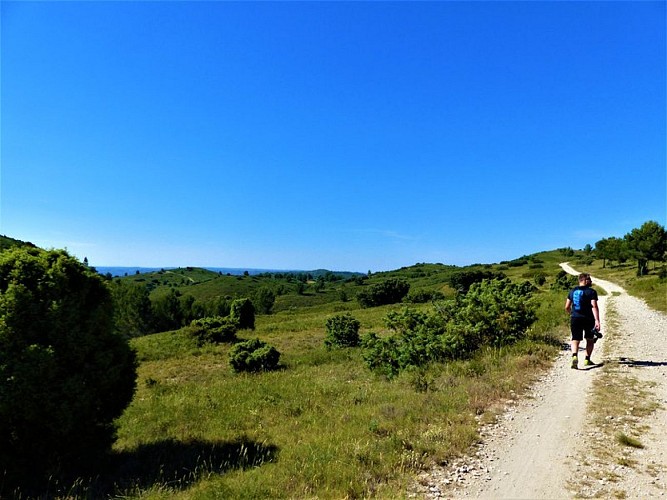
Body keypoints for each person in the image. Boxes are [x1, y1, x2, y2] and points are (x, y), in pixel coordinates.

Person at [565, 273, 601, 369]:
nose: (591, 282)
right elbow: (594, 306)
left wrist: (572, 314)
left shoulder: (572, 291)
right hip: (588, 318)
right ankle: (587, 359)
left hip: (575, 318)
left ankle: (574, 356)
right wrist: (597, 320)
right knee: (590, 339)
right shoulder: (592, 292)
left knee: (575, 338)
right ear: (585, 280)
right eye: (589, 279)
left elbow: (567, 307)